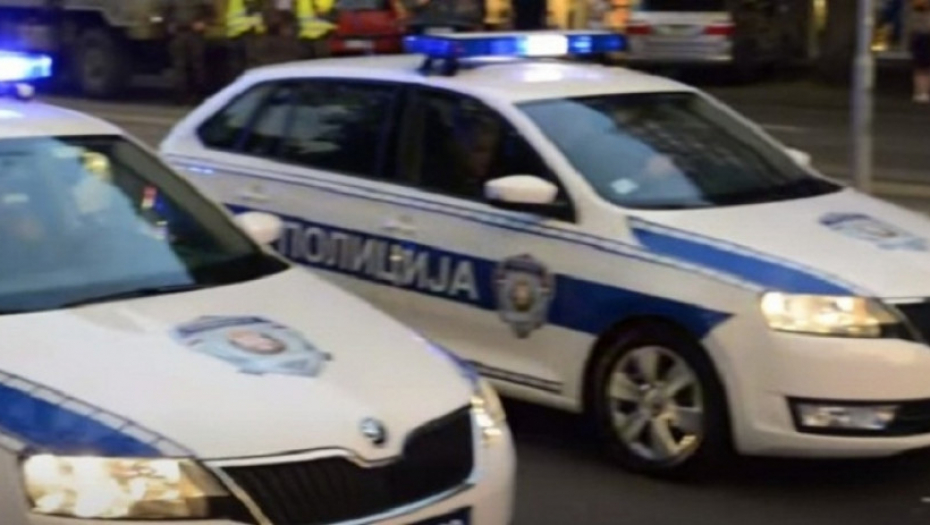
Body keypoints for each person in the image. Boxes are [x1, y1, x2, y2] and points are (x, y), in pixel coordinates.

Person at [162, 0, 215, 105]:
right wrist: (169, 24)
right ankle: (180, 96)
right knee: (179, 66)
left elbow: (211, 13)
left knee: (197, 65)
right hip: (178, 35)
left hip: (195, 35)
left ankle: (198, 95)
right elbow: (165, 12)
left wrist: (203, 22)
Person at [910, 0, 930, 102]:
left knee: (923, 67)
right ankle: (921, 92)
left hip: (922, 35)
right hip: (922, 36)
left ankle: (923, 92)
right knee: (922, 66)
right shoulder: (919, 9)